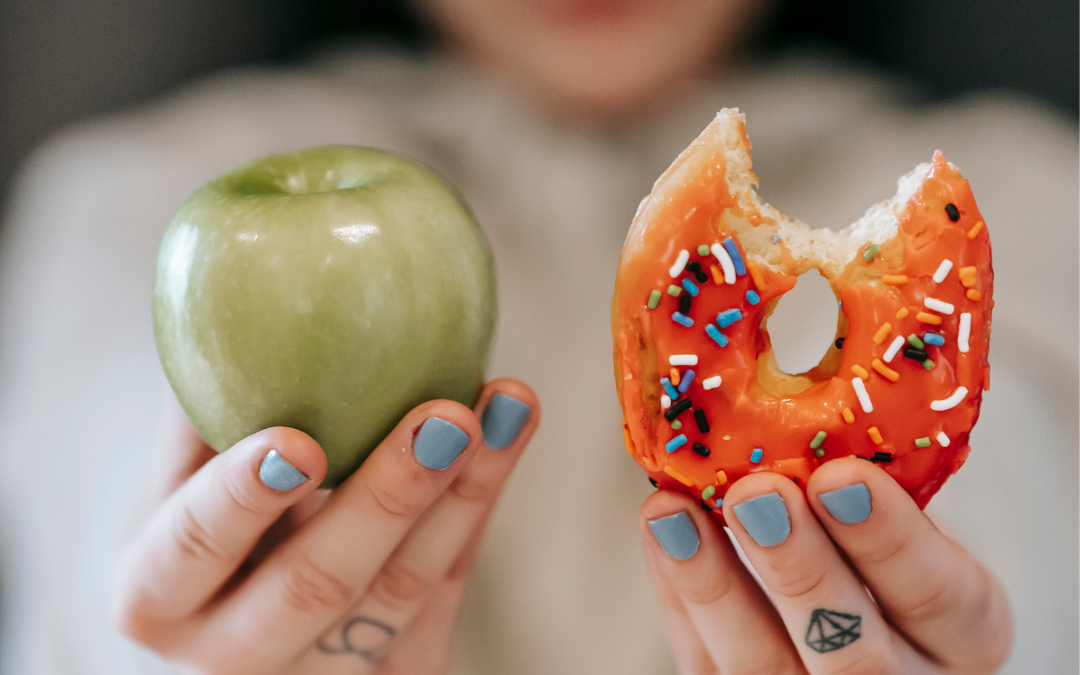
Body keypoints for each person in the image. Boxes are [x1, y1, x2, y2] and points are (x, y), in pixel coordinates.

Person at [0, 0, 1076, 672]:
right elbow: (99, 473)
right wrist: (163, 628)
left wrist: (963, 635)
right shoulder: (125, 195)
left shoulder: (1025, 190)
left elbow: (1016, 492)